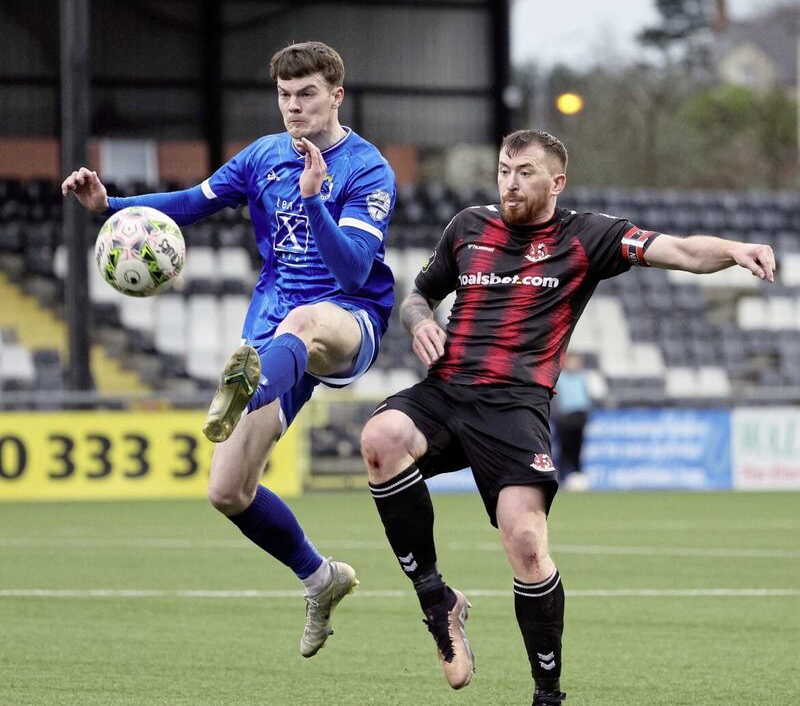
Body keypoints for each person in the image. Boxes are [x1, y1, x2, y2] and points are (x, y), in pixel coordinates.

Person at [359, 129, 775, 705]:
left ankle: (547, 694)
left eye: (524, 171)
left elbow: (677, 251)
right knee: (380, 437)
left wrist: (733, 250)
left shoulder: (586, 236)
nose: (509, 180)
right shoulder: (468, 227)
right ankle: (437, 601)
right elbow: (417, 294)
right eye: (504, 169)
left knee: (526, 542)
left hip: (515, 407)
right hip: (448, 390)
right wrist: (419, 321)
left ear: (556, 182)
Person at [62, 41, 396, 659]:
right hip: (273, 330)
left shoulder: (368, 169)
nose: (294, 107)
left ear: (336, 95)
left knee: (305, 321)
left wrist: (316, 196)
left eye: (307, 95)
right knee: (228, 491)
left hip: (348, 320)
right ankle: (321, 579)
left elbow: (352, 272)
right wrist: (110, 205)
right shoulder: (264, 156)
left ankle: (246, 384)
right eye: (285, 96)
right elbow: (193, 203)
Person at [553, 352, 591, 491]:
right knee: (564, 449)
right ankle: (562, 478)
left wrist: (587, 413)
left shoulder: (581, 377)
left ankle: (578, 477)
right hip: (565, 418)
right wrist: (558, 416)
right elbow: (555, 399)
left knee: (577, 449)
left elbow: (586, 396)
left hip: (579, 416)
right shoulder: (560, 378)